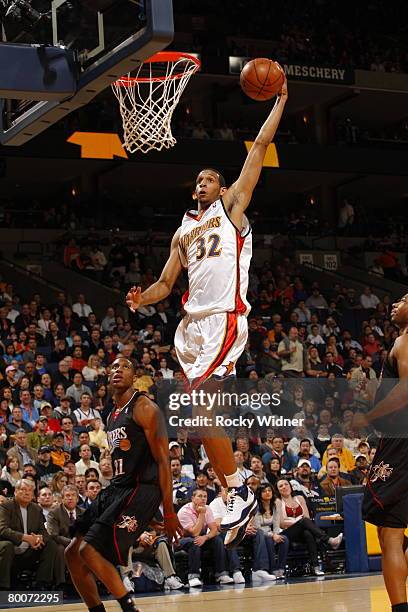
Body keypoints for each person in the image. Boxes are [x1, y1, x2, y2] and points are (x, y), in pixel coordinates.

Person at [126, 79, 288, 547]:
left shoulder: (232, 206)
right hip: (191, 327)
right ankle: (234, 493)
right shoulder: (182, 231)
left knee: (201, 406)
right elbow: (163, 283)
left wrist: (278, 101)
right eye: (198, 179)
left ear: (221, 187)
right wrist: (142, 300)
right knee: (199, 421)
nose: (202, 183)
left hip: (223, 316)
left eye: (210, 178)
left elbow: (259, 146)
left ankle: (238, 492)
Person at [65, 357, 182, 612]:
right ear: (108, 376)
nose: (118, 370)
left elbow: (163, 462)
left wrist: (168, 511)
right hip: (118, 488)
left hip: (142, 488)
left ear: (134, 377)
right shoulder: (111, 415)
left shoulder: (145, 408)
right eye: (114, 367)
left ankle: (129, 608)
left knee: (89, 551)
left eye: (125, 366)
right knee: (72, 553)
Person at [353, 293, 408, 612]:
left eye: (403, 300)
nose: (395, 304)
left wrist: (368, 416)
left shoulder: (405, 341)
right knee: (393, 527)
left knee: (388, 528)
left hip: (401, 439)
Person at [275, 479, 343, 576]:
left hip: (301, 531)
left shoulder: (300, 498)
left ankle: (315, 567)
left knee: (308, 533)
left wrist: (299, 522)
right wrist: (299, 522)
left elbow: (306, 517)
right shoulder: (278, 502)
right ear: (278, 490)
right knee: (304, 523)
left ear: (290, 486)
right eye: (281, 486)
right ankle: (329, 540)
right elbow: (281, 523)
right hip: (286, 533)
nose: (284, 487)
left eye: (286, 484)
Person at [0, 478, 59, 590]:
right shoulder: (6, 506)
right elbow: (2, 529)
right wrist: (25, 538)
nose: (27, 492)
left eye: (30, 490)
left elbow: (43, 531)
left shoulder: (36, 508)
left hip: (29, 550)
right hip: (11, 548)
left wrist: (39, 539)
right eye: (23, 489)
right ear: (16, 491)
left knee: (50, 544)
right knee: (6, 545)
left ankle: (41, 583)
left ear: (33, 494)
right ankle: (3, 587)